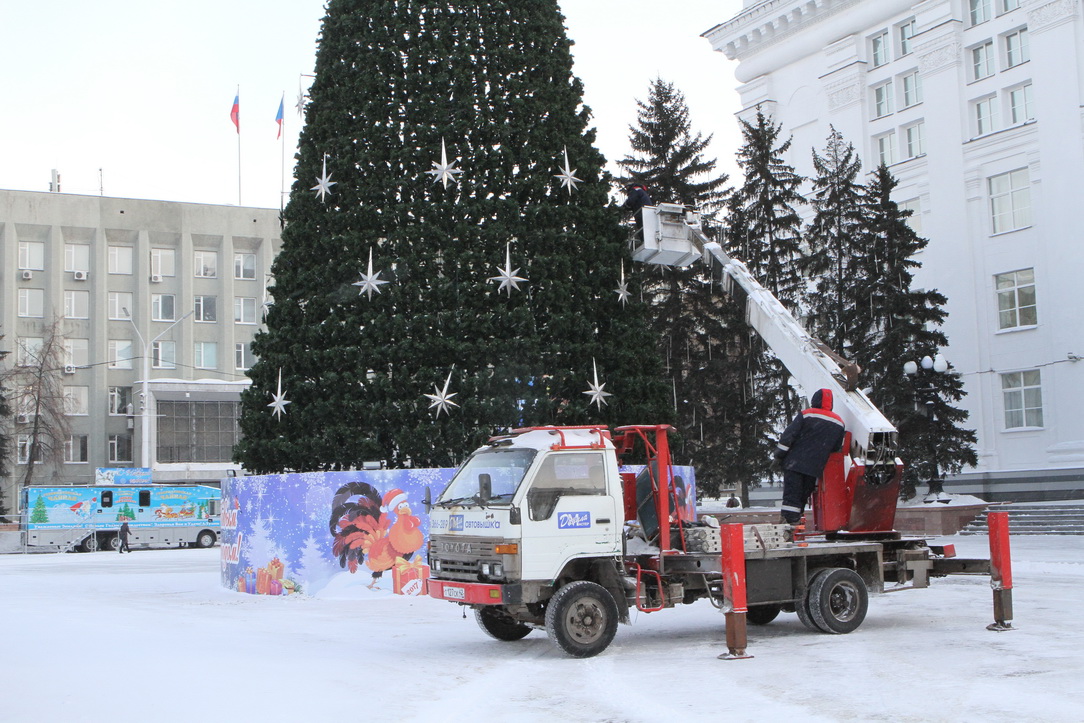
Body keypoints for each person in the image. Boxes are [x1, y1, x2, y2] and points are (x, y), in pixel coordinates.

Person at [771, 388, 846, 525]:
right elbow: (835, 448)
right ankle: (796, 520)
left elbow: (788, 437)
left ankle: (789, 523)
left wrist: (779, 456)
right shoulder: (839, 423)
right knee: (802, 496)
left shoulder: (806, 415)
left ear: (815, 400)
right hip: (814, 468)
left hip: (795, 463)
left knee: (792, 495)